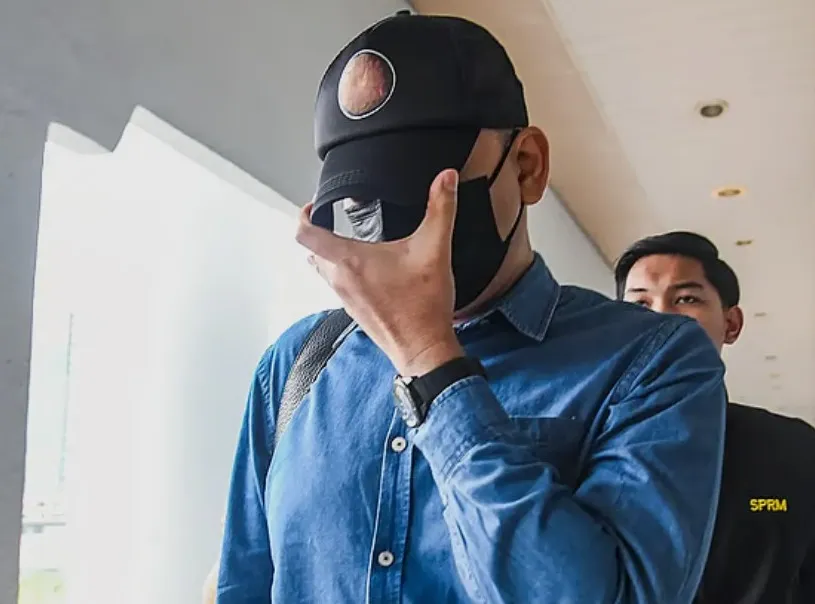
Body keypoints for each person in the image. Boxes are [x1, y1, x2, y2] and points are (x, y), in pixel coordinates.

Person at [216, 13, 728, 603]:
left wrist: (431, 362)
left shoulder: (653, 363)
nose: (396, 224)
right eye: (365, 201)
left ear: (527, 166)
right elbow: (244, 586)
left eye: (424, 191)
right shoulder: (296, 364)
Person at [616, 230, 815, 604]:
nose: (661, 318)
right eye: (640, 303)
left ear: (731, 324)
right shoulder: (586, 450)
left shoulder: (794, 449)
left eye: (686, 299)